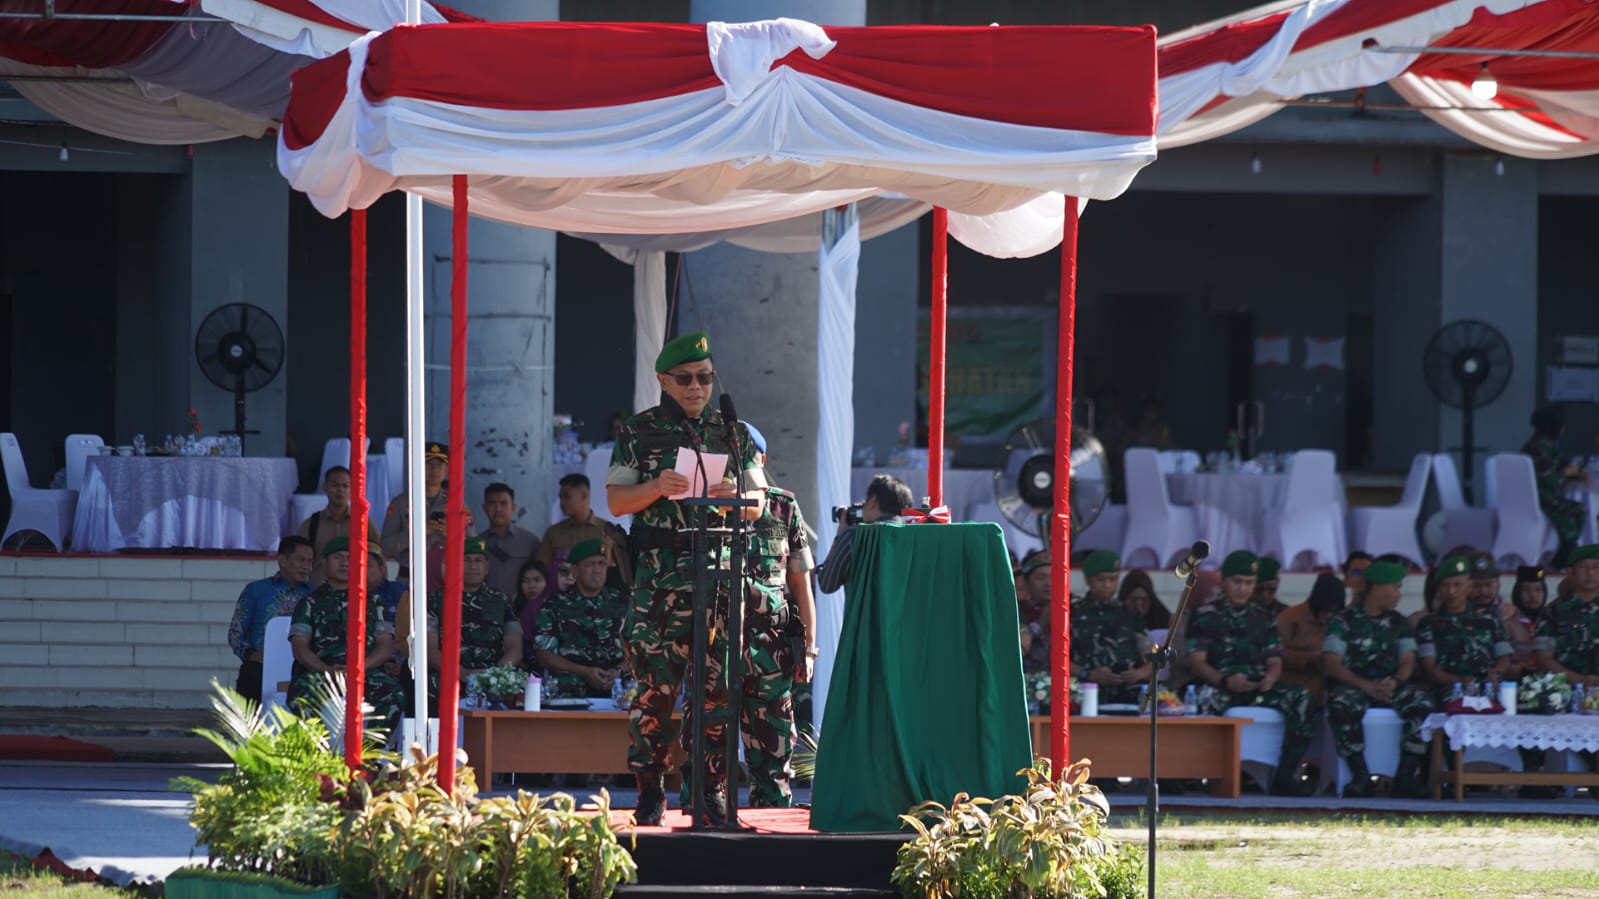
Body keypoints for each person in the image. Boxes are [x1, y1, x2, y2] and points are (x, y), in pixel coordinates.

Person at [604, 331, 768, 826]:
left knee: (717, 694)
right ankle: (651, 789)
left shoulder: (733, 433)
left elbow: (759, 505)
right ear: (663, 381)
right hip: (660, 586)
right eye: (685, 379)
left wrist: (733, 491)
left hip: (717, 583)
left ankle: (708, 789)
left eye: (704, 377)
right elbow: (615, 501)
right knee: (656, 693)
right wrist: (655, 486)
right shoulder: (640, 431)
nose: (696, 387)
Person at [1186, 550, 1316, 795]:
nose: (1242, 589)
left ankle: (1285, 773)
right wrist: (1225, 681)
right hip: (1220, 687)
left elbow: (1275, 659)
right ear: (1223, 581)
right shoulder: (1204, 617)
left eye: (1249, 583)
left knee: (1302, 697)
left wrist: (1270, 679)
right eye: (1237, 582)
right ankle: (1198, 774)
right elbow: (1198, 662)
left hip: (1257, 687)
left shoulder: (1264, 617)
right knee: (1198, 701)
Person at [736, 421, 818, 808]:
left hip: (771, 646)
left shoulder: (782, 506)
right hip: (718, 642)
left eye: (745, 456)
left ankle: (771, 828)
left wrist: (810, 649)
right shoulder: (706, 506)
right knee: (708, 751)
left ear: (761, 460)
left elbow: (801, 584)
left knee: (774, 755)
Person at [1322, 560, 1435, 798]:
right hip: (1355, 685)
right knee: (1340, 702)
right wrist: (1365, 686)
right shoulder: (1343, 621)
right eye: (1395, 587)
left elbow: (1407, 660)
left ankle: (1405, 775)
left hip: (1389, 686)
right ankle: (1360, 775)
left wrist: (1395, 681)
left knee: (1422, 702)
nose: (1399, 594)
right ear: (1377, 588)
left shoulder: (1400, 623)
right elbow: (1332, 664)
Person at [287, 537, 402, 728]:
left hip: (365, 672)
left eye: (350, 558)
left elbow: (384, 646)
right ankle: (319, 753)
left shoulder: (374, 602)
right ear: (324, 562)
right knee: (301, 697)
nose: (345, 562)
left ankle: (368, 753)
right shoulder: (309, 602)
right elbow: (299, 648)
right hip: (321, 673)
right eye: (338, 557)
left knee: (394, 694)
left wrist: (358, 669)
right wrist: (327, 671)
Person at [415, 536, 522, 707]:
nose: (473, 566)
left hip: (493, 675)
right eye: (466, 560)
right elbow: (429, 649)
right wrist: (461, 673)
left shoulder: (502, 601)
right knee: (429, 688)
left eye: (478, 560)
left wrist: (492, 674)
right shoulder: (435, 600)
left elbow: (515, 648)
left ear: (487, 567)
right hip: (450, 674)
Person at [534, 539, 628, 698]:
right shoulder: (554, 605)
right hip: (572, 689)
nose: (597, 570)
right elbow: (543, 655)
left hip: (619, 687)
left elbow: (641, 649)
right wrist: (584, 672)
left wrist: (618, 670)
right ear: (575, 570)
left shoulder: (624, 603)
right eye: (590, 564)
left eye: (601, 563)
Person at [226, 536, 315, 704]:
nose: (306, 567)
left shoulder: (315, 594)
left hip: (304, 667)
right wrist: (252, 655)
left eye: (310, 561)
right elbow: (235, 633)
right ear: (282, 559)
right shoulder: (256, 590)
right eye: (301, 560)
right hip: (260, 667)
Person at [1416, 559, 1512, 705]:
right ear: (1439, 589)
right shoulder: (1428, 624)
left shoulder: (1489, 619)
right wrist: (1459, 681)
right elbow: (1429, 668)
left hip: (1488, 685)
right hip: (1450, 689)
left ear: (1469, 586)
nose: (1451, 592)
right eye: (1446, 586)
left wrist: (1496, 673)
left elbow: (1504, 657)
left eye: (1457, 585)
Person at [380, 441, 474, 582]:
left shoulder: (458, 504)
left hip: (446, 581)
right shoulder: (400, 503)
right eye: (428, 463)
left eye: (440, 464)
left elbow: (475, 545)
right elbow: (385, 547)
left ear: (447, 469)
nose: (434, 469)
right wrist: (414, 534)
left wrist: (453, 535)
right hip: (409, 580)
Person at [1068, 550, 1152, 706]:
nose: (1107, 585)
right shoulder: (1072, 613)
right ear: (1088, 580)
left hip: (1127, 695)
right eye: (1101, 579)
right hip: (1086, 693)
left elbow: (1152, 656)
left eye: (1113, 579)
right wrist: (1088, 674)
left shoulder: (1129, 615)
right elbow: (1057, 659)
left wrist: (1139, 673)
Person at [814, 473, 913, 595]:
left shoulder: (854, 537)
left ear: (873, 501)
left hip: (862, 614)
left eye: (865, 501)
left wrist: (839, 537)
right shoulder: (914, 538)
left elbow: (826, 584)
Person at [538, 473, 633, 590]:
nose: (562, 502)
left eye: (567, 497)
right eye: (560, 497)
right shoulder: (553, 533)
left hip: (601, 601)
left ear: (584, 496)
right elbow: (541, 570)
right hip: (561, 600)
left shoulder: (607, 530)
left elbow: (622, 573)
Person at [1524, 405, 1587, 569]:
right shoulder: (1540, 448)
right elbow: (1549, 480)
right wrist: (1566, 472)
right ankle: (1564, 556)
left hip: (1542, 497)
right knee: (1572, 515)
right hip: (1542, 500)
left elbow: (1560, 462)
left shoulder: (1544, 444)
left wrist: (1575, 470)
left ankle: (1564, 554)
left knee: (1578, 509)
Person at [297, 466, 380, 584]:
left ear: (352, 489)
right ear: (325, 487)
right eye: (335, 485)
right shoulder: (311, 524)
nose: (340, 490)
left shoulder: (364, 523)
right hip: (319, 592)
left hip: (356, 592)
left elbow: (378, 558)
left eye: (345, 485)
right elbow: (298, 558)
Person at [1533, 544, 1599, 689]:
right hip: (1564, 693)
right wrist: (1580, 680)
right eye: (1583, 567)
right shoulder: (1552, 611)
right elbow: (1543, 658)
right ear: (1571, 572)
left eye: (1596, 567)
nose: (1590, 573)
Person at [1276, 572, 1345, 707]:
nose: (1329, 615)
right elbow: (1276, 654)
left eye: (1334, 611)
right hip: (1296, 691)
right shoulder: (1290, 617)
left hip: (1331, 694)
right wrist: (1310, 658)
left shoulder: (1341, 622)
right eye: (1325, 610)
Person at [479, 483, 541, 598]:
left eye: (503, 503)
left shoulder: (530, 541)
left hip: (520, 610)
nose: (498, 509)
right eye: (492, 504)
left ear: (513, 507)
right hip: (487, 609)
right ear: (484, 508)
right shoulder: (478, 543)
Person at [1504, 565, 1547, 672]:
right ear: (1518, 593)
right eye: (1526, 590)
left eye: (1538, 590)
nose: (1533, 595)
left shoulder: (1550, 622)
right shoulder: (1507, 624)